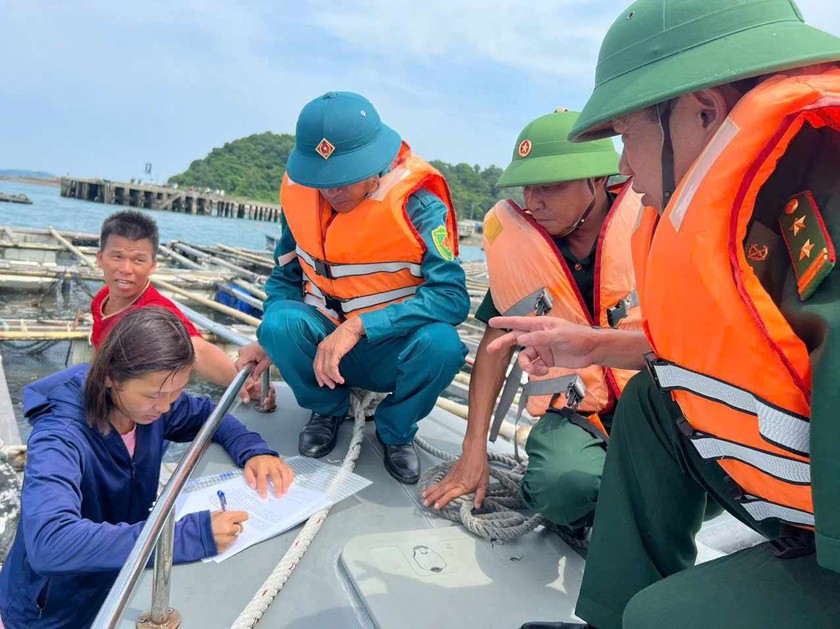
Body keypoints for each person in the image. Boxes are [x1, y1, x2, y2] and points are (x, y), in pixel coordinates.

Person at [489, 1, 840, 627]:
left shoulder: (827, 226)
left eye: (628, 135)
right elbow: (736, 350)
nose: (622, 166)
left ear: (701, 111)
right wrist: (596, 346)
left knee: (660, 618)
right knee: (655, 403)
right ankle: (608, 616)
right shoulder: (773, 192)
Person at [422, 110, 647, 538]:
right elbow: (493, 349)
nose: (534, 200)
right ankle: (580, 512)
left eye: (550, 186)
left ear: (597, 180)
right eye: (528, 186)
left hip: (651, 398)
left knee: (696, 484)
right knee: (561, 487)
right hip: (575, 411)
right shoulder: (523, 251)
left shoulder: (649, 224)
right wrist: (474, 451)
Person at [0, 307, 293, 628]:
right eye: (154, 395)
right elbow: (49, 543)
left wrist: (253, 451)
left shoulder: (150, 405)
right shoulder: (59, 437)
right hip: (50, 612)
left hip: (120, 579)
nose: (166, 407)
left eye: (176, 393)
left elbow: (206, 414)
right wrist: (189, 536)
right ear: (110, 376)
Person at [237, 91, 469, 484]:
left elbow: (451, 297)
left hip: (389, 348)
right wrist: (267, 341)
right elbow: (285, 278)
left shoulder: (420, 206)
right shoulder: (299, 200)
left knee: (443, 345)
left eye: (344, 179)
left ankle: (396, 432)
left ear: (377, 163)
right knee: (277, 323)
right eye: (322, 181)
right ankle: (326, 409)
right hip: (321, 345)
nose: (332, 191)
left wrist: (361, 326)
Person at [92, 210, 273, 405]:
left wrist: (242, 382)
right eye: (117, 257)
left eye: (138, 260)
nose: (126, 269)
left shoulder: (156, 311)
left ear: (153, 266)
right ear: (100, 258)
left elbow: (197, 349)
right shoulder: (102, 297)